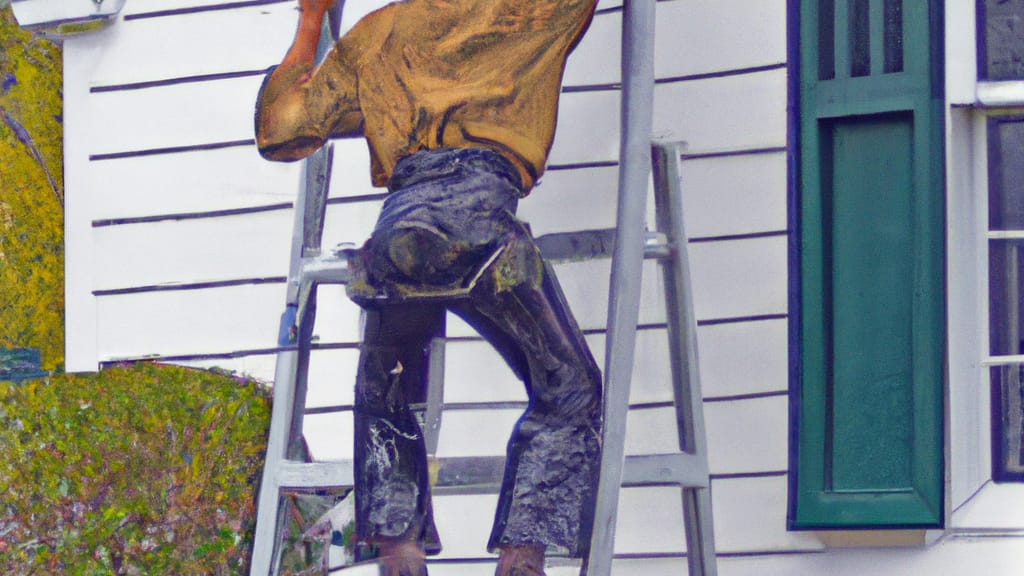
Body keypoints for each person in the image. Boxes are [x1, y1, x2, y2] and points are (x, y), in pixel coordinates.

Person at [255, 1, 601, 574]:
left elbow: (282, 130)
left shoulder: (382, 31)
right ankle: (523, 558)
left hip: (398, 232)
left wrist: (311, 20)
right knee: (570, 388)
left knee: (383, 398)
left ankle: (400, 554)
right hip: (480, 222)